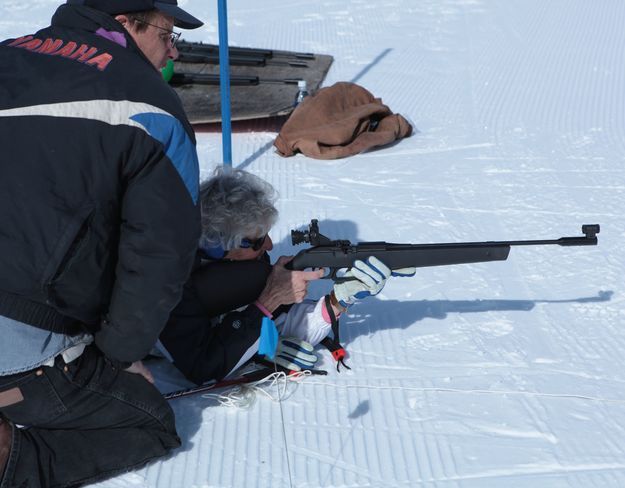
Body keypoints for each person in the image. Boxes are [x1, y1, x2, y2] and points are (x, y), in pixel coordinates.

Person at [0, 1, 204, 486]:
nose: (172, 52)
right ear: (125, 24)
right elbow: (159, 258)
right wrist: (115, 357)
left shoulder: (7, 53)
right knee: (148, 421)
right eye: (167, 35)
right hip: (17, 347)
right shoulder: (150, 105)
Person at [159, 169, 415, 385]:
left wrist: (338, 302)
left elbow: (279, 317)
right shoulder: (165, 278)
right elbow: (202, 367)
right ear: (220, 246)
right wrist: (264, 312)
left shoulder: (237, 261)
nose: (270, 246)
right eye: (259, 240)